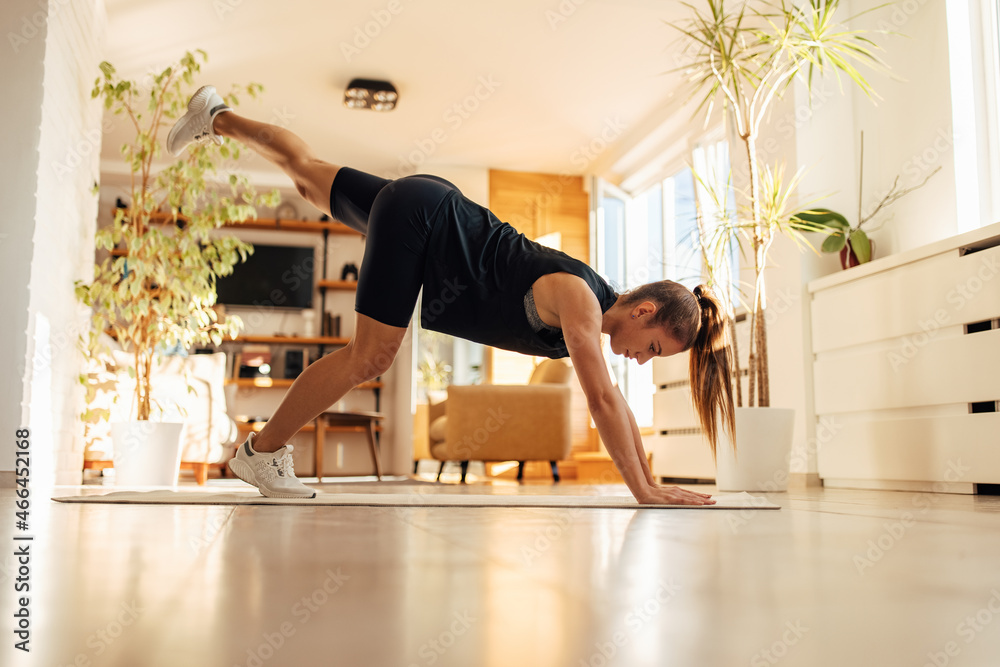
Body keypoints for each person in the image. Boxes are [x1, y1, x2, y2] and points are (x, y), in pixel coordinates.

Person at [166, 86, 735, 505]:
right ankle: (261, 454)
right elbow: (605, 402)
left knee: (304, 171)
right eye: (653, 348)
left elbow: (618, 404)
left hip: (426, 208)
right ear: (644, 311)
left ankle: (217, 115)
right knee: (372, 355)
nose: (641, 358)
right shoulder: (583, 304)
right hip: (426, 219)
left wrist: (651, 479)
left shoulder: (594, 304)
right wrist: (643, 491)